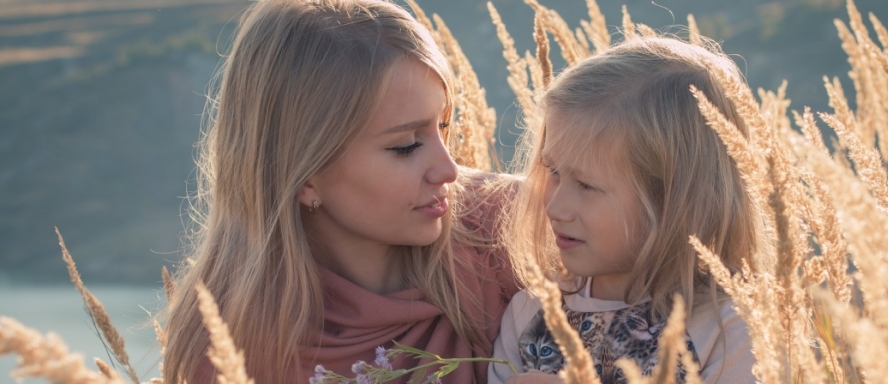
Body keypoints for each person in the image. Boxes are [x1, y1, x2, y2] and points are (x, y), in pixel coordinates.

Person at [161, 0, 517, 382]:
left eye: (443, 126)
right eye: (407, 145)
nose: (449, 170)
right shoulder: (225, 345)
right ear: (305, 172)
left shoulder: (520, 230)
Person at [489, 36, 761, 384]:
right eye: (553, 172)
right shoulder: (532, 314)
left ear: (674, 200)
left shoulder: (730, 330)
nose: (556, 207)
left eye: (587, 186)